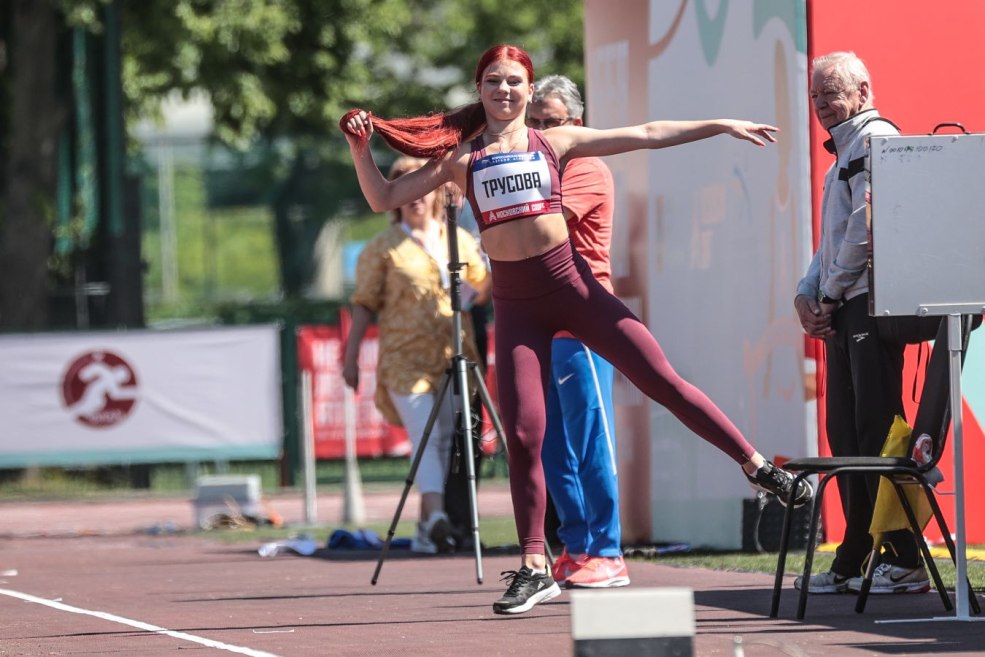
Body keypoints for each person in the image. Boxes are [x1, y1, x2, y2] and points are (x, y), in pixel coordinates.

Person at [340, 43, 813, 615]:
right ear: (480, 90)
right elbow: (383, 198)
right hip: (518, 311)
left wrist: (720, 125)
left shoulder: (555, 142)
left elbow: (648, 133)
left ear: (528, 90)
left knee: (662, 381)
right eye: (494, 81)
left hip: (576, 292)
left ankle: (759, 468)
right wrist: (360, 148)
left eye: (515, 82)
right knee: (523, 437)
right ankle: (536, 566)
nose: (505, 91)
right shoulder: (460, 161)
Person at [794, 51, 928, 595]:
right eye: (815, 95)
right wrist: (807, 292)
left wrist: (824, 294)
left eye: (831, 92)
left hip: (870, 305)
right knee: (846, 433)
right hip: (848, 306)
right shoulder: (846, 150)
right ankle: (855, 555)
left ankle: (904, 558)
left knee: (875, 429)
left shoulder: (875, 140)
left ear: (864, 90)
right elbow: (833, 243)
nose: (822, 103)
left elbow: (865, 230)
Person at [342, 156, 490, 555]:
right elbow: (363, 303)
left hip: (452, 353)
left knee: (445, 439)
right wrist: (351, 354)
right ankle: (437, 514)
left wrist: (473, 293)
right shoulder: (382, 247)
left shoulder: (455, 239)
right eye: (403, 185)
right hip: (404, 358)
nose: (415, 195)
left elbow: (482, 279)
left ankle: (428, 525)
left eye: (421, 185)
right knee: (426, 436)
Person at [526, 74, 627, 589]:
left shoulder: (585, 166)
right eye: (534, 122)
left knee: (590, 439)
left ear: (576, 124)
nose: (541, 132)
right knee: (551, 445)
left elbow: (544, 228)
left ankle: (607, 550)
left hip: (582, 318)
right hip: (539, 318)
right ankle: (577, 544)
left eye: (551, 122)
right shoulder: (531, 168)